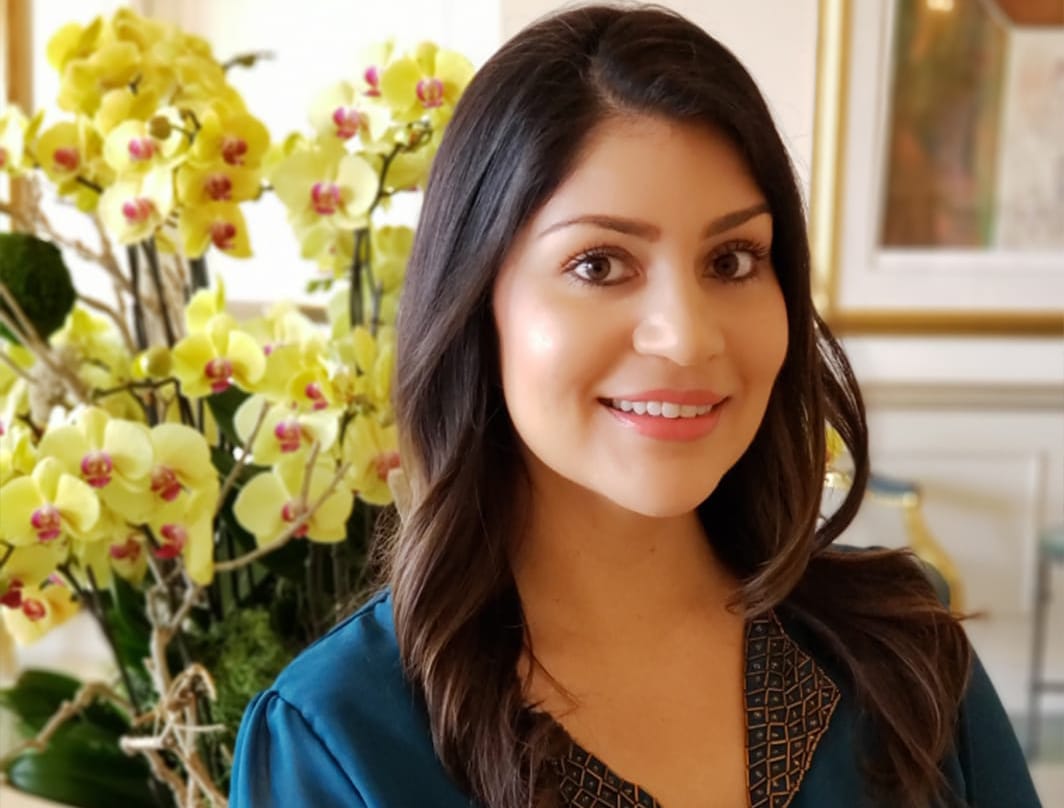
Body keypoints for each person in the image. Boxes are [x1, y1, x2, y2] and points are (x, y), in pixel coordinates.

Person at [229, 4, 1042, 806]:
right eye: (599, 265)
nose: (686, 338)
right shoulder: (340, 739)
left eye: (731, 260)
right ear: (477, 301)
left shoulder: (903, 655)